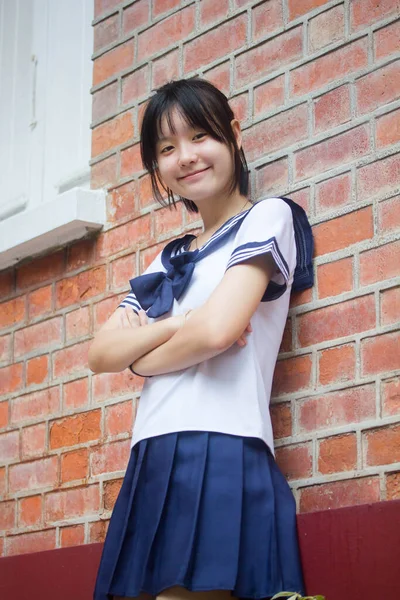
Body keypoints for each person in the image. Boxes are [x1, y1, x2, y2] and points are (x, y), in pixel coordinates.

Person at [89, 78, 313, 600]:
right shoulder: (170, 257)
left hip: (220, 440)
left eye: (199, 137)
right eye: (167, 149)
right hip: (151, 451)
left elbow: (219, 330)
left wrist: (144, 354)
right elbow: (101, 354)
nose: (185, 157)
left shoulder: (267, 217)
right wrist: (174, 326)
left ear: (232, 134)